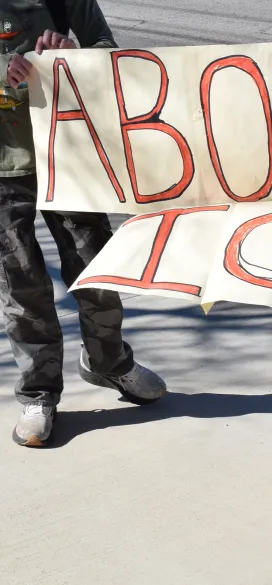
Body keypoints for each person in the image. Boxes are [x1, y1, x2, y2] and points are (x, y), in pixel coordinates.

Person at [1, 0, 166, 448]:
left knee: (96, 265)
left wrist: (76, 55)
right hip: (3, 168)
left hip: (68, 153)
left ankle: (108, 362)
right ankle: (39, 393)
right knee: (22, 283)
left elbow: (108, 53)